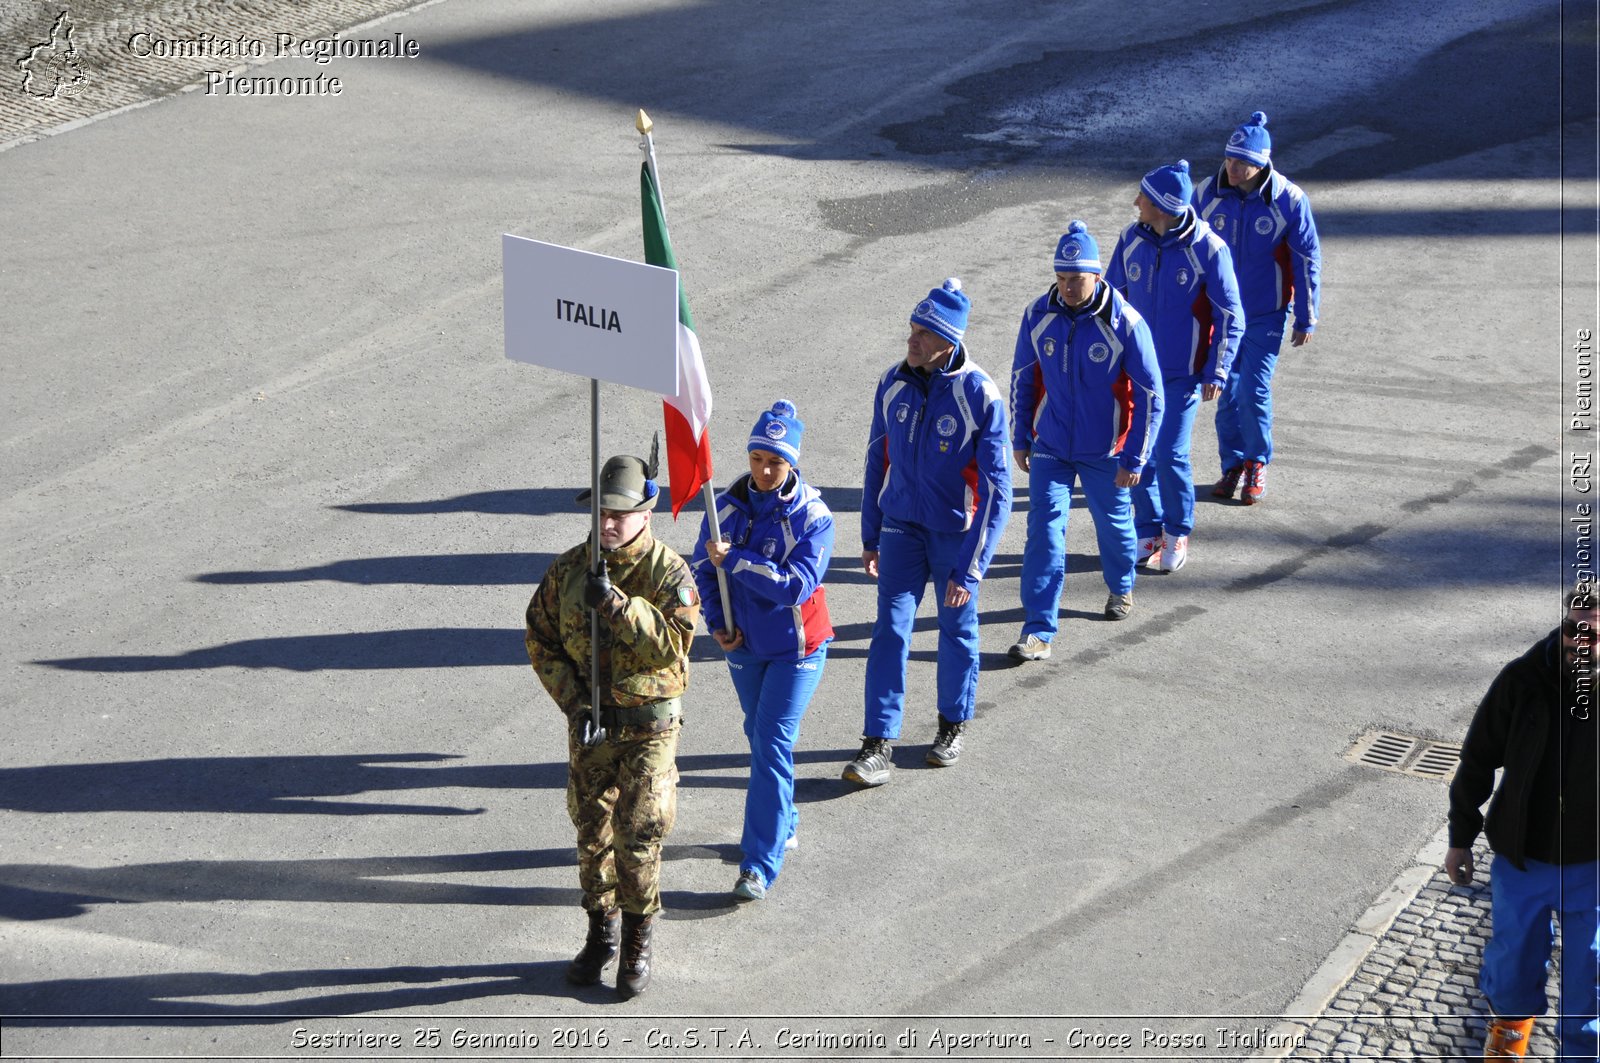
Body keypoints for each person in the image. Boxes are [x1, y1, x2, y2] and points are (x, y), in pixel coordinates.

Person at [524, 449, 699, 999]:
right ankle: (600, 932)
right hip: (593, 723)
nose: (607, 523)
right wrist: (575, 703)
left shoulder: (669, 572)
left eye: (619, 514)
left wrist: (622, 607)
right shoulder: (571, 569)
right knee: (590, 830)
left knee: (640, 830)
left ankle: (636, 940)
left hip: (648, 726)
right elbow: (540, 637)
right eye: (600, 511)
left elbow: (675, 644)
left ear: (646, 514)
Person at [845, 278, 1011, 786]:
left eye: (922, 334)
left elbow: (998, 490)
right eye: (911, 331)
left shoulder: (979, 394)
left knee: (956, 630)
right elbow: (877, 460)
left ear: (948, 342)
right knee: (889, 630)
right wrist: (870, 535)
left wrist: (974, 564)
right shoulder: (891, 382)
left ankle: (951, 727)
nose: (910, 342)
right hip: (899, 530)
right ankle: (877, 743)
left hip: (955, 538)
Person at [691, 400, 834, 902]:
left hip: (798, 650)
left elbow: (796, 587)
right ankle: (785, 817)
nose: (765, 470)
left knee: (771, 742)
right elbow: (702, 569)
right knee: (758, 733)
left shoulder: (814, 516)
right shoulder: (725, 506)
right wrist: (716, 623)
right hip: (745, 645)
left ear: (793, 464)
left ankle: (759, 864)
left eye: (775, 462)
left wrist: (739, 561)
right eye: (757, 458)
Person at [1444, 594, 1598, 1060]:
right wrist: (1460, 839)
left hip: (1594, 865)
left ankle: (1582, 1053)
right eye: (1574, 630)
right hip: (1521, 858)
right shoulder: (1521, 680)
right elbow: (1476, 761)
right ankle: (1508, 1042)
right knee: (1511, 965)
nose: (1580, 642)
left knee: (1589, 972)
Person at [1006, 221, 1164, 662]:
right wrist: (1020, 437)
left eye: (1077, 279)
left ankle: (1121, 586)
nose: (1068, 288)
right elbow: (1022, 376)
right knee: (1044, 535)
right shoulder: (1039, 314)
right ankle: (1038, 629)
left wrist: (1135, 456)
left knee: (1113, 526)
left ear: (1097, 276)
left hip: (1106, 450)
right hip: (1051, 445)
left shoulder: (1126, 322)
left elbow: (1152, 395)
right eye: (1061, 278)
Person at [1105, 159, 1243, 573]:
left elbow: (1230, 314)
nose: (1135, 203)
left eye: (1142, 198)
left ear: (1163, 207)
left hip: (1182, 375)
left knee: (1170, 453)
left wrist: (1217, 369)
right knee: (1134, 452)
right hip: (1135, 373)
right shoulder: (1130, 239)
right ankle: (1147, 527)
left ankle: (1177, 529)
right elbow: (1110, 302)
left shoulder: (1207, 248)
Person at [1191, 111, 1323, 506]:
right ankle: (1232, 463)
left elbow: (1306, 258)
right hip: (1220, 315)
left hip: (1266, 313)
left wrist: (1306, 314)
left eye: (1242, 162)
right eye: (1229, 158)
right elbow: (1188, 253)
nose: (1232, 167)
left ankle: (1256, 461)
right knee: (1226, 391)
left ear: (1262, 163)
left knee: (1253, 389)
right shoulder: (1205, 194)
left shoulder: (1288, 200)